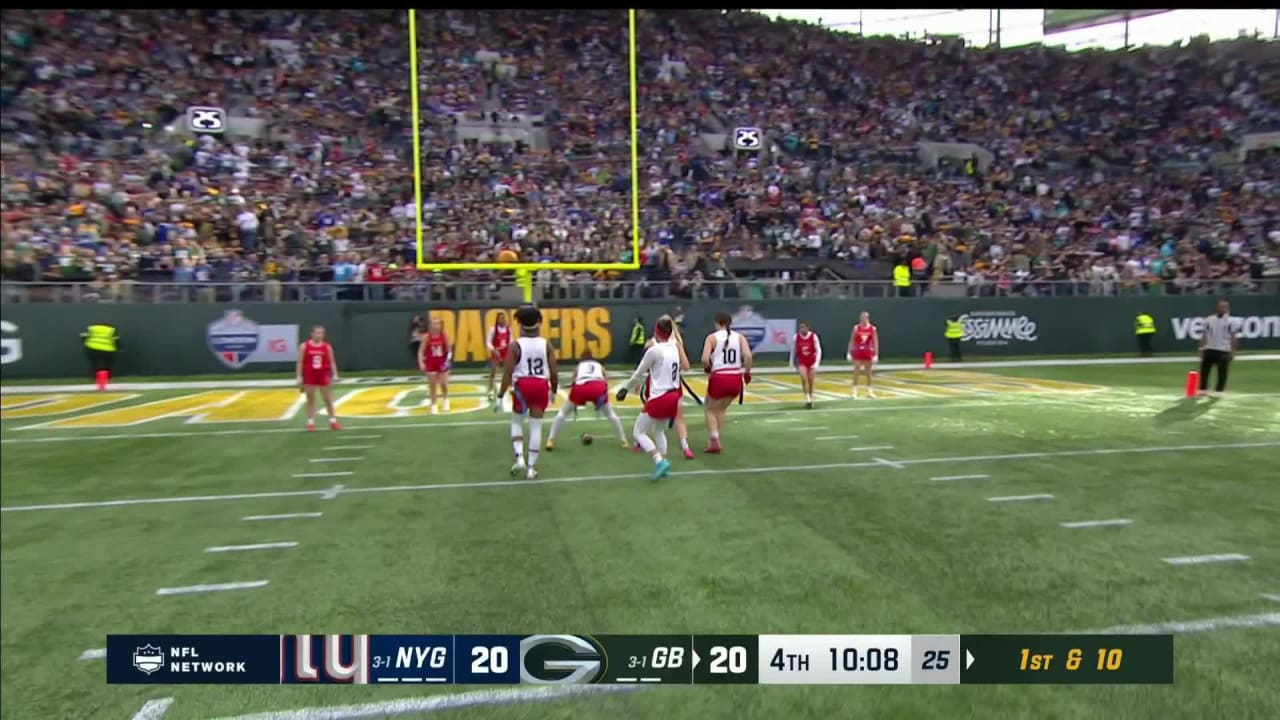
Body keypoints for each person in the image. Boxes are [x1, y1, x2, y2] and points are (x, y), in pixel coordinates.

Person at [618, 316, 686, 481]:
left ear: (656, 331)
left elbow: (638, 374)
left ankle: (658, 461)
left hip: (659, 396)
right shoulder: (675, 346)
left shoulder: (654, 350)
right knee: (659, 430)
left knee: (638, 432)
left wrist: (624, 389)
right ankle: (664, 461)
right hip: (674, 395)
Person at [497, 305, 558, 479]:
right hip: (540, 385)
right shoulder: (546, 344)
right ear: (539, 322)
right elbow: (554, 372)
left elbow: (507, 373)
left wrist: (500, 395)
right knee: (536, 426)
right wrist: (553, 390)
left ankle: (519, 457)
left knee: (516, 422)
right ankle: (531, 467)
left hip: (522, 385)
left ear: (520, 323)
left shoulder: (515, 345)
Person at [637, 315, 696, 459]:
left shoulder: (652, 344)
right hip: (674, 386)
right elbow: (686, 366)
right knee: (677, 417)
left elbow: (643, 366)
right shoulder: (676, 343)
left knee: (649, 415)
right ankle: (685, 447)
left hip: (657, 385)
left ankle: (643, 443)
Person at [545, 349, 628, 450]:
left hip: (581, 388)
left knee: (562, 413)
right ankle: (623, 441)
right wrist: (600, 399)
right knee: (611, 415)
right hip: (599, 387)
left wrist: (577, 398)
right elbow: (606, 380)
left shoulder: (579, 366)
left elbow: (574, 381)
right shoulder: (599, 365)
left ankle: (550, 440)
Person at [700, 310, 752, 453]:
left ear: (717, 322)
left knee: (710, 409)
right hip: (735, 377)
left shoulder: (712, 337)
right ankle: (717, 438)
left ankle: (714, 438)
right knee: (722, 409)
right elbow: (748, 356)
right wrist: (747, 372)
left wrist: (708, 368)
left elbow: (705, 358)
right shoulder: (739, 337)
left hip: (720, 376)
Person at [297, 325, 341, 431]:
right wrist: (299, 376)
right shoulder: (304, 346)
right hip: (309, 374)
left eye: (321, 333)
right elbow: (300, 362)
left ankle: (333, 421)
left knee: (327, 399)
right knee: (310, 399)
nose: (319, 335)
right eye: (317, 333)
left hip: (323, 374)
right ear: (312, 334)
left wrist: (335, 374)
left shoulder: (327, 347)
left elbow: (332, 361)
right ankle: (310, 422)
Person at [1197, 299, 1237, 397]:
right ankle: (1203, 389)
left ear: (1228, 308)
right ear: (1217, 307)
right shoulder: (1209, 319)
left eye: (1225, 307)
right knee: (1204, 371)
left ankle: (1219, 390)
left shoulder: (1232, 321)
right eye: (1221, 306)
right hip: (1209, 348)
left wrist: (1233, 352)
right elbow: (1204, 335)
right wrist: (1201, 348)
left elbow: (1233, 337)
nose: (1223, 309)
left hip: (1223, 350)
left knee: (1222, 372)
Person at [418, 317, 452, 414]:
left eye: (437, 323)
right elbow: (421, 351)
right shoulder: (427, 337)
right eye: (433, 323)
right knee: (432, 385)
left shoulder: (444, 336)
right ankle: (434, 404)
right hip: (431, 362)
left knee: (443, 383)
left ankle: (445, 399)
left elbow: (449, 350)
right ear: (430, 325)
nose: (435, 325)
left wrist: (447, 361)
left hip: (442, 362)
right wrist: (421, 362)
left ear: (441, 325)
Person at [790, 320, 822, 409]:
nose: (802, 329)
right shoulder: (796, 337)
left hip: (812, 361)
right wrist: (791, 362)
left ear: (807, 328)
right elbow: (793, 351)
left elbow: (818, 350)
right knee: (804, 379)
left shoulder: (813, 336)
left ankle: (811, 398)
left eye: (803, 327)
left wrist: (816, 363)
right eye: (800, 327)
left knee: (811, 381)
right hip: (802, 361)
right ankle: (807, 398)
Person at [847, 311, 879, 398]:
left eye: (864, 317)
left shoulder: (872, 328)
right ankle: (854, 391)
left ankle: (870, 392)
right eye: (861, 317)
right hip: (858, 352)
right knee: (856, 371)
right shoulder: (856, 328)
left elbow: (875, 342)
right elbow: (852, 340)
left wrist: (876, 354)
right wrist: (849, 352)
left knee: (868, 372)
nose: (863, 319)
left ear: (867, 318)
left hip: (868, 352)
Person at [80, 323, 119, 391]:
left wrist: (85, 344)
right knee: (107, 365)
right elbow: (116, 340)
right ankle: (104, 381)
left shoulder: (91, 328)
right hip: (107, 349)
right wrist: (119, 348)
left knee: (94, 364)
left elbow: (83, 337)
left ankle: (96, 379)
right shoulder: (111, 330)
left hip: (92, 348)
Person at [485, 312, 512, 400]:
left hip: (506, 352)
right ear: (497, 320)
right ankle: (491, 391)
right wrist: (493, 350)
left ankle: (511, 388)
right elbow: (488, 342)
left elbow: (511, 341)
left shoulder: (509, 329)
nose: (502, 320)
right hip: (496, 352)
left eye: (503, 318)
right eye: (500, 318)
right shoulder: (493, 329)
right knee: (493, 372)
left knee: (508, 372)